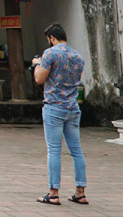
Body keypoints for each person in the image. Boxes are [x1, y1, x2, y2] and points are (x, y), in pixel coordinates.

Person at [31, 22, 88, 206]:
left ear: (52, 38)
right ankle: (80, 192)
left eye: (49, 39)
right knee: (76, 151)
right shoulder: (77, 55)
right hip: (72, 107)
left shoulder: (51, 53)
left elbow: (40, 78)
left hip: (54, 107)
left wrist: (37, 65)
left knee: (54, 150)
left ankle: (53, 192)